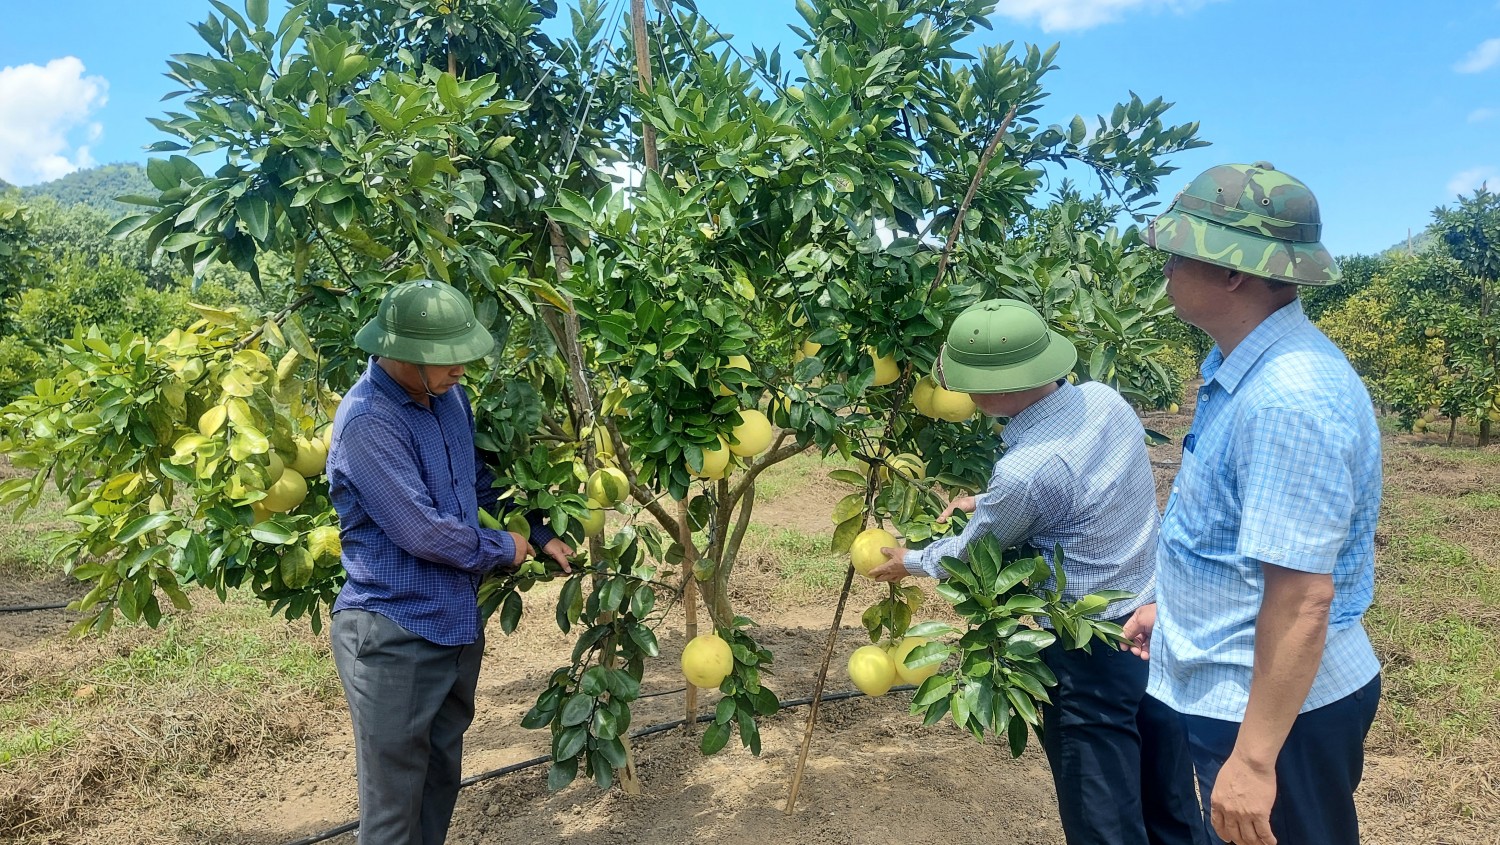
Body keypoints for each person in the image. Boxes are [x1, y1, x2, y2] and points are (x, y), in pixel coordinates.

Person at [869, 299, 1204, 845]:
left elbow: (968, 557)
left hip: (1086, 651)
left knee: (1104, 820)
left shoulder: (1025, 473)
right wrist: (989, 500)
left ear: (985, 390)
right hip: (1151, 623)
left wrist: (907, 561)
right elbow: (1081, 487)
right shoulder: (1104, 400)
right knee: (1170, 802)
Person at [1125, 162, 1383, 845]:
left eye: (1178, 254)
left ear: (1233, 272)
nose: (1167, 268)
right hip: (1243, 689)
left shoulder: (1288, 396)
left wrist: (1255, 759)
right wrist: (1173, 610)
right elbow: (1234, 534)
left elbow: (1304, 599)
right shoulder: (1246, 370)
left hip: (1271, 714)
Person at [326, 279, 574, 845]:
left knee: (440, 780)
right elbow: (422, 531)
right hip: (395, 631)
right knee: (392, 807)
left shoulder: (448, 398)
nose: (460, 369)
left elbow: (476, 487)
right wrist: (501, 551)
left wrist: (534, 532)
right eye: (446, 360)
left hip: (455, 623)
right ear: (402, 354)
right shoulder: (368, 422)